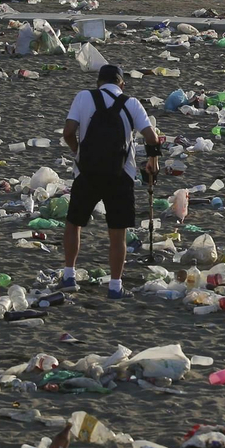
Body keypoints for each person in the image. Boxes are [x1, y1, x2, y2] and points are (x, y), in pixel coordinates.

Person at [60, 63, 162, 298]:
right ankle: (115, 286)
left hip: (86, 172)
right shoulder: (132, 103)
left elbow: (68, 132)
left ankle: (68, 275)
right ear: (121, 84)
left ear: (98, 82)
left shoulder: (84, 97)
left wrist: (78, 153)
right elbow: (151, 137)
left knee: (74, 223)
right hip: (120, 174)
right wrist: (152, 162)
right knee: (117, 232)